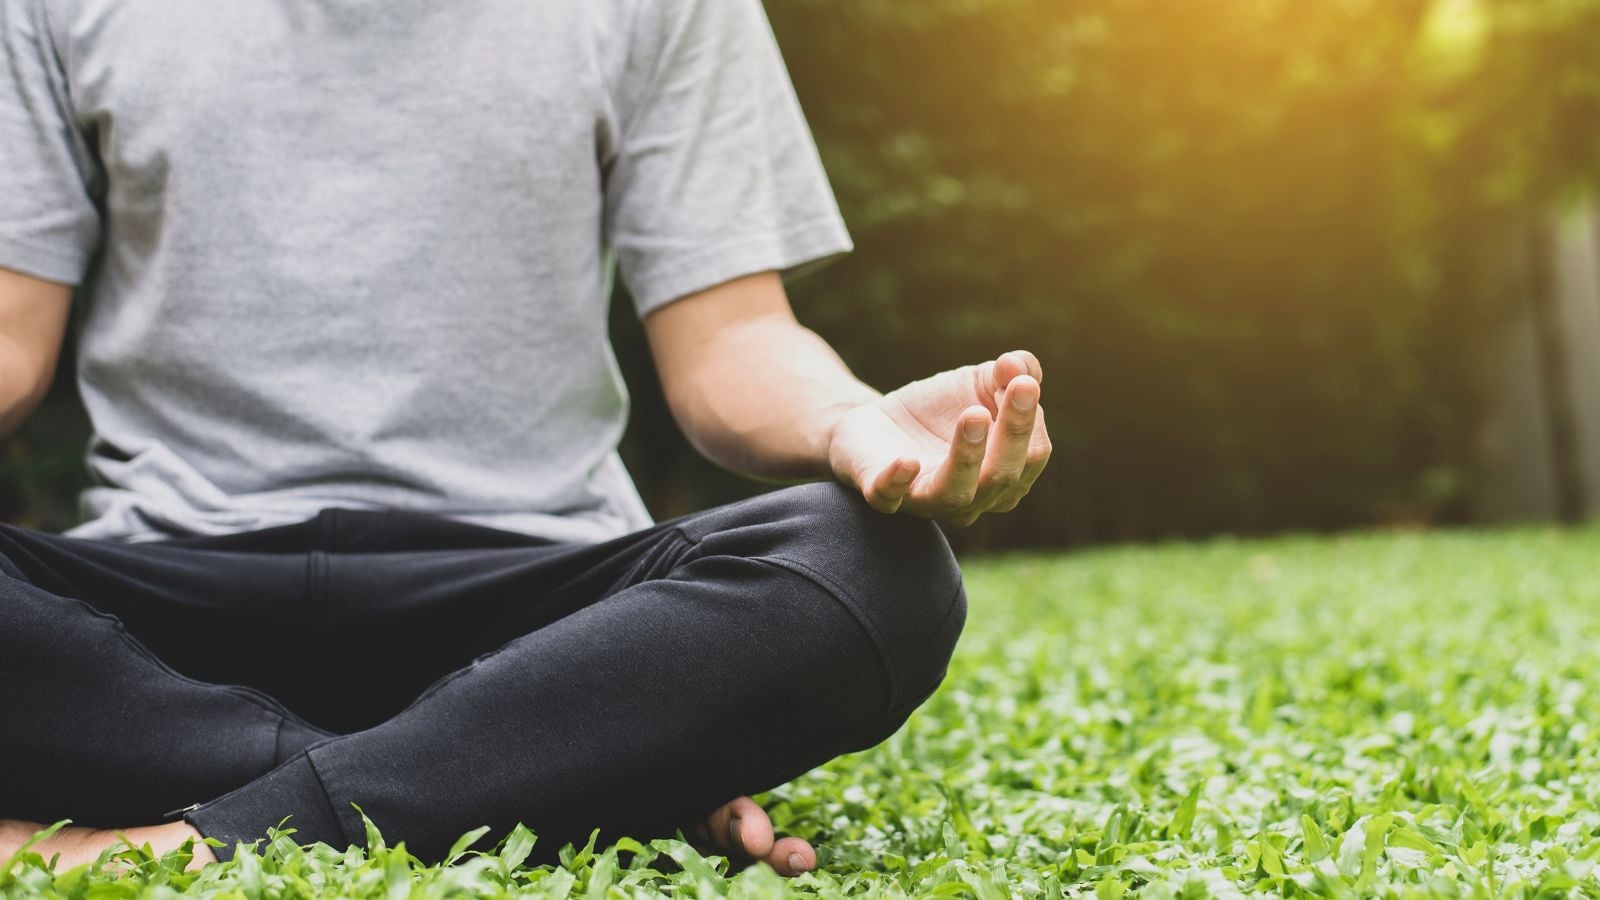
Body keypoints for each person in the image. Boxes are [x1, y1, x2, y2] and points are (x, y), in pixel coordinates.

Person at [0, 0, 1051, 877]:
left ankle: (184, 840)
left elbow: (731, 340)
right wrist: (622, 753)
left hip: (543, 618)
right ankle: (544, 783)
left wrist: (849, 424)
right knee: (557, 751)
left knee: (875, 567)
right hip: (161, 601)